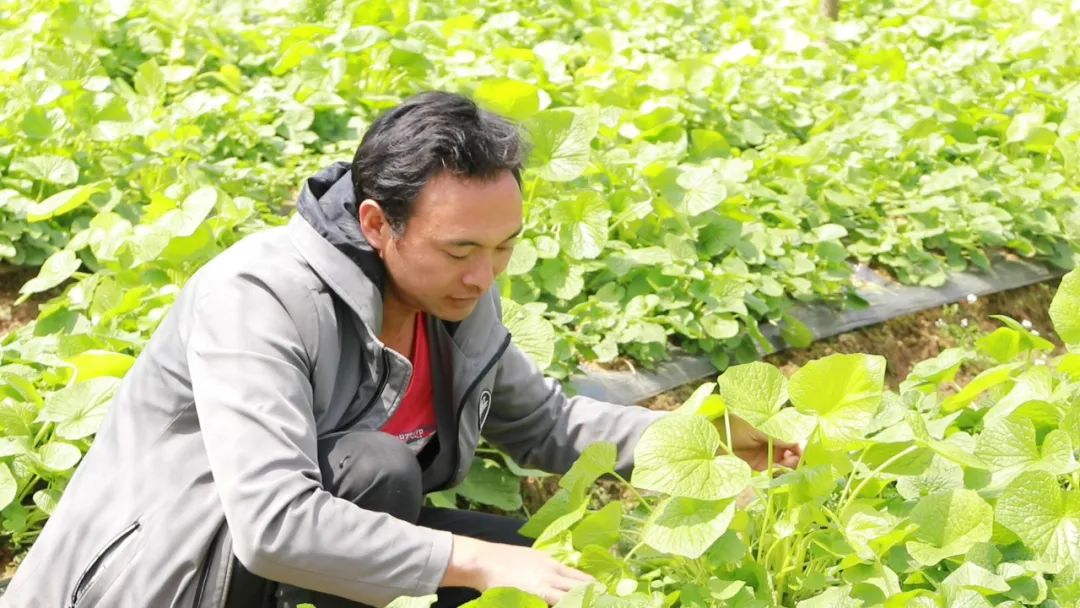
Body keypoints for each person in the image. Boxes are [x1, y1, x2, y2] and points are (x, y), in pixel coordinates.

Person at [1, 92, 799, 608]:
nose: (485, 276)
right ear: (379, 224)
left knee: (564, 579)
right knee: (387, 477)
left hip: (320, 565)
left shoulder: (451, 295)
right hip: (177, 582)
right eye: (459, 251)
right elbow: (274, 525)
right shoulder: (259, 296)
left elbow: (546, 426)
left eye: (505, 247)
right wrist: (471, 562)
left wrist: (714, 438)